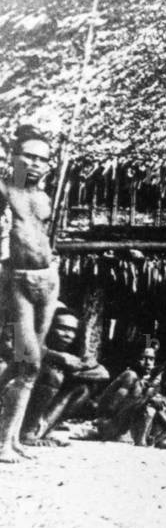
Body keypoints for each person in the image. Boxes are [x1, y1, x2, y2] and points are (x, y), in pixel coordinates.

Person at [0, 125, 60, 462]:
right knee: (27, 360)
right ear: (13, 156)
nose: (35, 164)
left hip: (48, 280)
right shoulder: (6, 191)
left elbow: (40, 235)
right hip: (18, 281)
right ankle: (2, 443)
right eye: (28, 156)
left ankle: (12, 438)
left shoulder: (44, 197)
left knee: (29, 367)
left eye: (42, 159)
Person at [21, 309, 109, 445]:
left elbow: (103, 373)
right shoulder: (35, 340)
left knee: (82, 388)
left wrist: (71, 371)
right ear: (49, 328)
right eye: (62, 328)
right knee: (52, 374)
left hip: (44, 405)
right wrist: (58, 358)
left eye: (73, 330)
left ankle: (44, 430)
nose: (68, 335)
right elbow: (18, 350)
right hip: (18, 401)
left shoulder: (75, 350)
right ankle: (27, 432)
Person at [95, 341, 160, 420]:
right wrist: (106, 418)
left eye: (151, 359)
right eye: (143, 358)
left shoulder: (144, 380)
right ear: (135, 359)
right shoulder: (130, 375)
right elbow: (116, 400)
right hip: (108, 417)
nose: (148, 363)